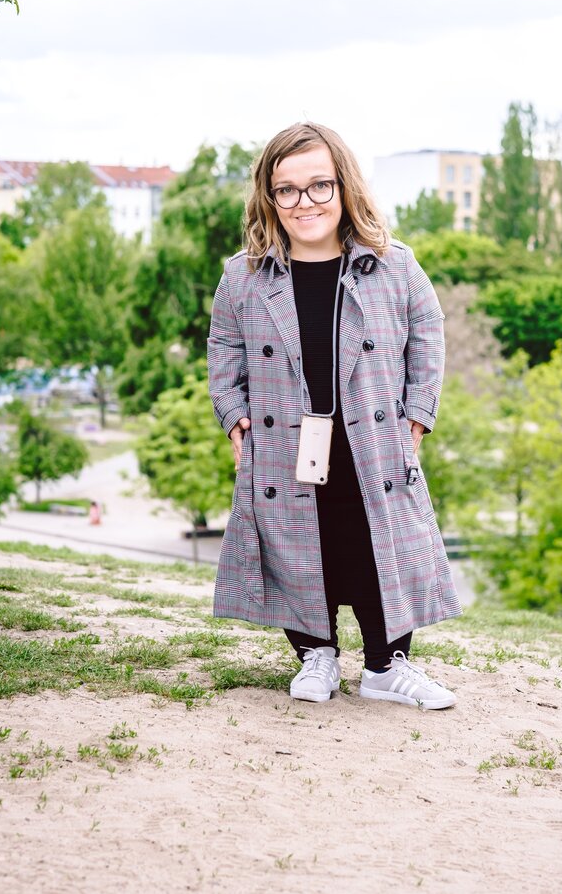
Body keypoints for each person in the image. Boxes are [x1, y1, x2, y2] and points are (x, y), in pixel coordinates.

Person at [208, 122, 461, 709]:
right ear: (269, 198)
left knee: (377, 543)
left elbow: (429, 330)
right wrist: (233, 414)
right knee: (300, 541)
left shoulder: (393, 264)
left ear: (344, 186)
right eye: (288, 189)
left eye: (320, 185)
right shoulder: (242, 276)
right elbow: (223, 348)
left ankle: (386, 666)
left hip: (373, 440)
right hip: (282, 440)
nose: (305, 202)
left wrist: (418, 416)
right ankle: (315, 655)